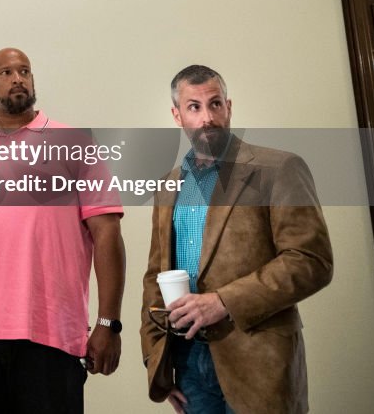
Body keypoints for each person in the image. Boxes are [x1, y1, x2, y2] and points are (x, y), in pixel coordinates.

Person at [0, 48, 125, 414]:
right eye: (6, 72)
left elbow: (107, 233)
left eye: (24, 71)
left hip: (50, 336)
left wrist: (108, 323)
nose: (17, 78)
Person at [139, 64, 333, 414]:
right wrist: (155, 361)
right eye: (194, 107)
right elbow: (155, 276)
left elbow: (311, 260)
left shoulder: (279, 168)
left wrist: (223, 301)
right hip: (187, 363)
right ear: (177, 114)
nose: (207, 118)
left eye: (215, 104)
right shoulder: (167, 186)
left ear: (228, 107)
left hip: (259, 360)